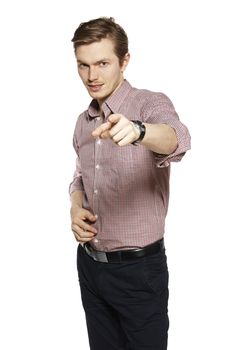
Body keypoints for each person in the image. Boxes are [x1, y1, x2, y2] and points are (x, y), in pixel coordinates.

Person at [69, 17, 191, 350]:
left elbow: (178, 138)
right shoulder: (84, 122)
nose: (92, 76)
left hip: (139, 272)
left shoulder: (149, 104)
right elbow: (80, 175)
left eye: (102, 63)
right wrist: (75, 205)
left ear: (124, 61)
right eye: (84, 65)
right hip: (91, 267)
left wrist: (139, 131)